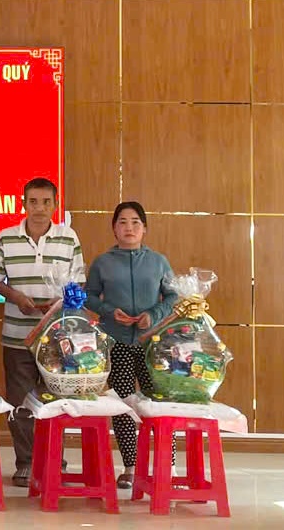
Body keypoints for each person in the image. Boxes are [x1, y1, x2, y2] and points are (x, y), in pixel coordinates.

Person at [0, 177, 84, 487]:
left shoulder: (68, 238)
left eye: (46, 202)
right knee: (20, 402)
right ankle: (26, 462)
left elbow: (78, 281)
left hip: (57, 338)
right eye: (33, 202)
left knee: (57, 403)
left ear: (55, 205)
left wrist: (60, 302)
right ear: (23, 204)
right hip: (17, 335)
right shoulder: (6, 238)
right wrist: (16, 297)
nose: (39, 208)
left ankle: (55, 461)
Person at [83, 201, 178, 489]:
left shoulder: (158, 261)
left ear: (144, 228)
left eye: (135, 222)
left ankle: (168, 467)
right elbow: (89, 296)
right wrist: (109, 312)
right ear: (114, 228)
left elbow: (173, 296)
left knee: (159, 405)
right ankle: (131, 467)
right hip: (117, 342)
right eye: (122, 222)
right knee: (123, 405)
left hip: (152, 344)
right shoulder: (103, 262)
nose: (129, 227)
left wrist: (154, 315)